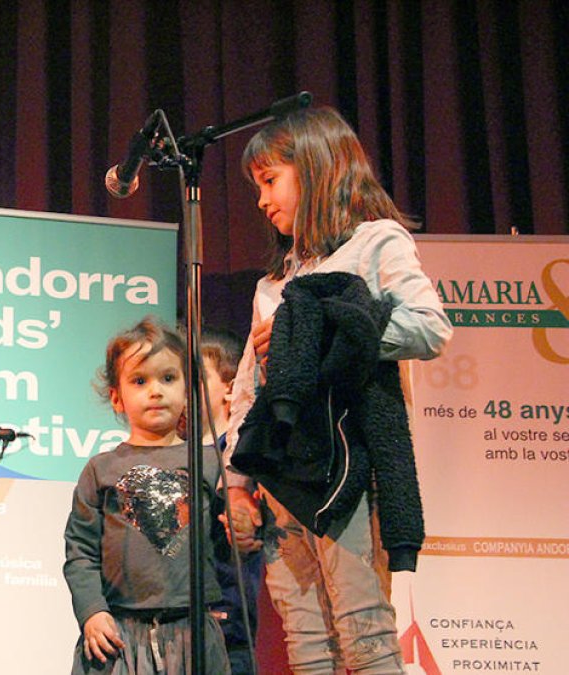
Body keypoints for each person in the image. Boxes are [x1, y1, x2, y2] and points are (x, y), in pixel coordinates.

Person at [223, 107, 452, 674]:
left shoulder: (375, 243)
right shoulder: (274, 282)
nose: (261, 200)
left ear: (317, 169)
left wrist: (315, 331)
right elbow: (247, 390)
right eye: (258, 186)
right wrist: (234, 482)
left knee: (364, 634)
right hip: (281, 480)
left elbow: (429, 327)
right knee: (307, 646)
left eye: (270, 181)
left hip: (345, 470)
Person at [63, 317, 231, 675]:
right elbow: (80, 551)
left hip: (192, 633)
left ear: (188, 390)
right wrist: (92, 611)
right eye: (140, 381)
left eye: (168, 378)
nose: (155, 391)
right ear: (116, 397)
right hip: (119, 633)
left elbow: (226, 542)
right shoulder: (101, 469)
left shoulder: (209, 465)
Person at [199, 327, 264, 675]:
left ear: (229, 386)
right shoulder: (174, 455)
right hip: (177, 627)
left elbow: (255, 526)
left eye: (196, 375)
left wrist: (248, 526)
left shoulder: (243, 457)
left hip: (229, 627)